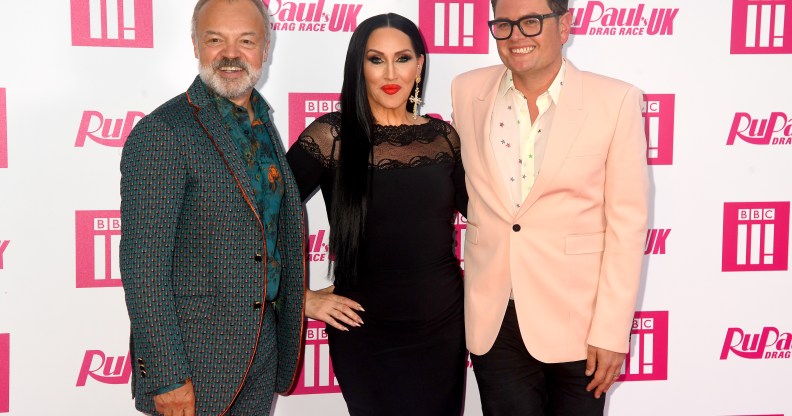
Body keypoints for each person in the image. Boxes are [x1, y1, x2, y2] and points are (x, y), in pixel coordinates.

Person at [450, 0, 649, 414]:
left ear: (565, 26)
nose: (516, 35)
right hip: (495, 317)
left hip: (580, 321)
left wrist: (612, 332)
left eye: (531, 21)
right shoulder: (467, 91)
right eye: (503, 24)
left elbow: (627, 225)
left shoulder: (615, 101)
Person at [119, 0, 306, 414]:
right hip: (194, 366)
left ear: (266, 47)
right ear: (195, 45)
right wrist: (166, 376)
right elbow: (142, 264)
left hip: (261, 351)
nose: (231, 54)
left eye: (246, 40)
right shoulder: (163, 132)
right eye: (215, 40)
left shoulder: (263, 124)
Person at [286, 13, 468, 416]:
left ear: (419, 65)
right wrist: (299, 298)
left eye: (402, 58)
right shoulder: (330, 136)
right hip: (364, 330)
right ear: (359, 66)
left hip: (441, 326)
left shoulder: (443, 138)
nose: (390, 72)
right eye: (376, 59)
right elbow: (262, 217)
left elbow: (491, 216)